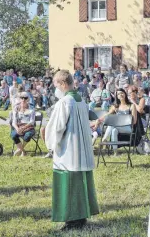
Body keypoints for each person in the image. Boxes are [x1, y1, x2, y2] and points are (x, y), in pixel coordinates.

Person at [45, 70, 99, 230]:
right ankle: (81, 216)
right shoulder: (81, 100)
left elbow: (57, 127)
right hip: (81, 149)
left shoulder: (65, 102)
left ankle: (72, 220)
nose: (55, 88)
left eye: (56, 84)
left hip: (69, 150)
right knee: (79, 183)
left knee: (68, 184)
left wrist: (51, 143)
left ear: (62, 83)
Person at [98, 88, 137, 154]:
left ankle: (103, 140)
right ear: (117, 96)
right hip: (116, 127)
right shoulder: (116, 106)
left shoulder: (131, 106)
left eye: (122, 93)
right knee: (114, 130)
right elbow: (107, 114)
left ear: (125, 94)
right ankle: (115, 152)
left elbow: (134, 121)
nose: (120, 95)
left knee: (112, 125)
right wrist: (98, 120)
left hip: (127, 127)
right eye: (118, 94)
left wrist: (123, 121)